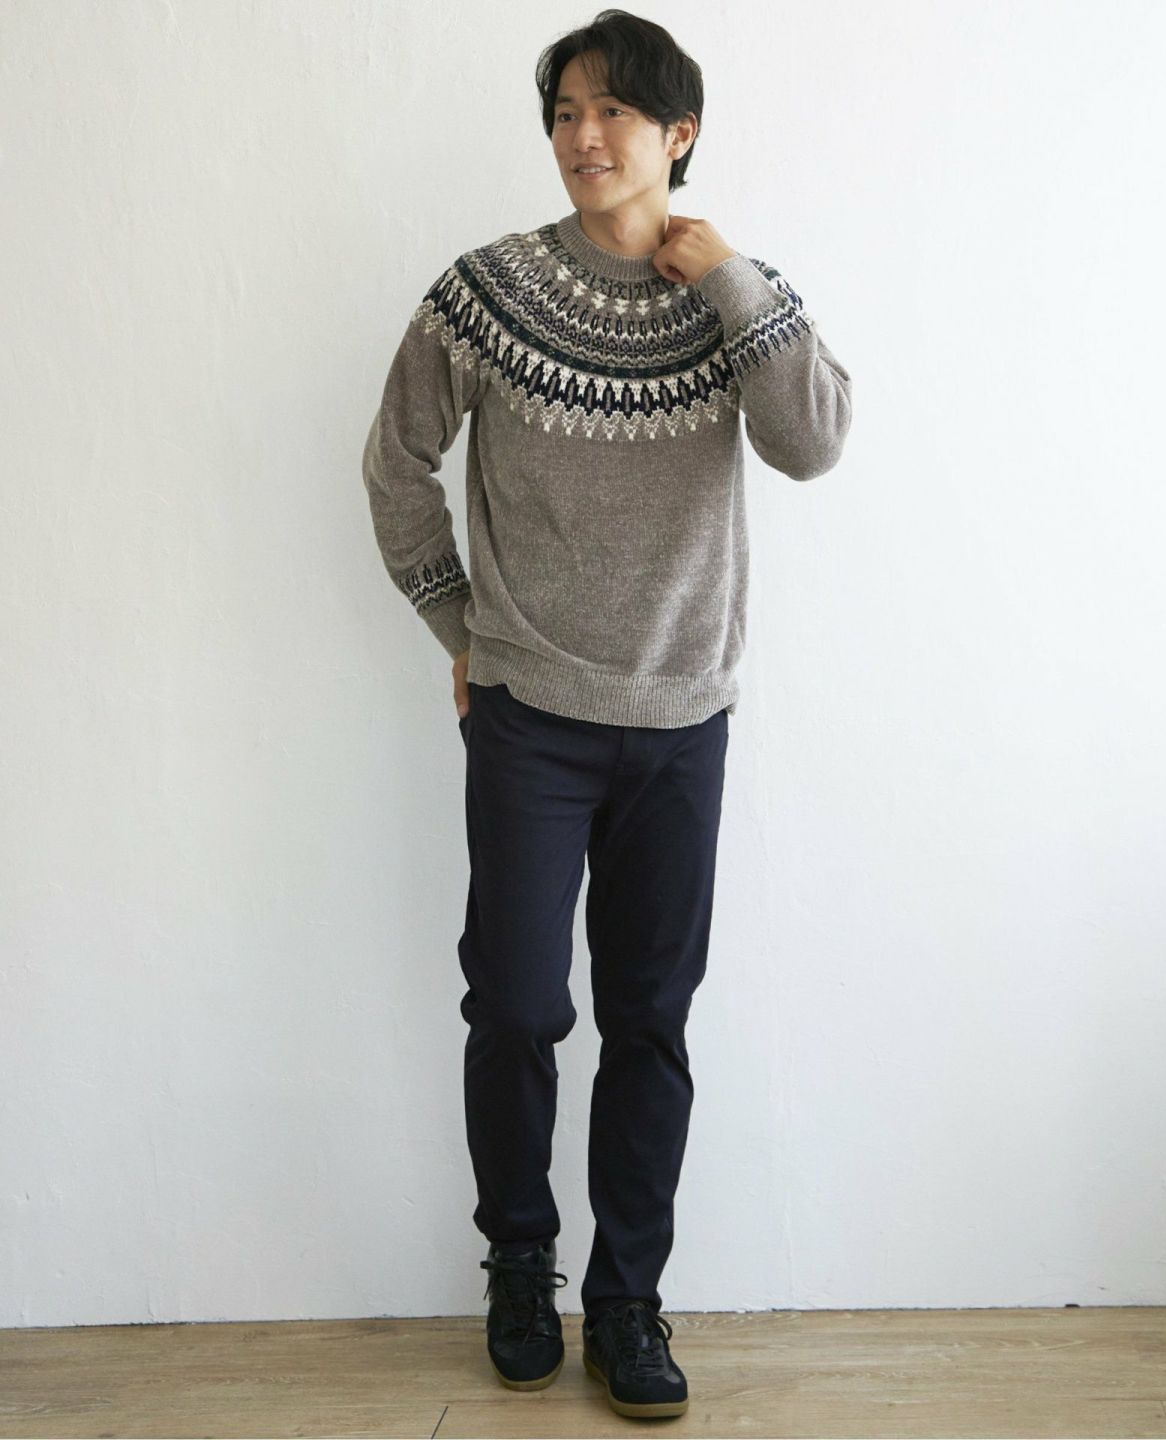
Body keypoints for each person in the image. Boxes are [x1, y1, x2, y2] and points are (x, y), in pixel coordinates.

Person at [361, 7, 852, 1420]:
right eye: (566, 112)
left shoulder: (736, 297)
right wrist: (459, 627)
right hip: (530, 715)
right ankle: (522, 1262)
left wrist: (736, 282)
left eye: (614, 112)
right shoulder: (490, 292)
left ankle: (628, 1301)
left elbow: (816, 441)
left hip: (683, 720)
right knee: (517, 1007)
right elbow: (394, 464)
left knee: (649, 1021)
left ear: (677, 133)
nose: (585, 136)